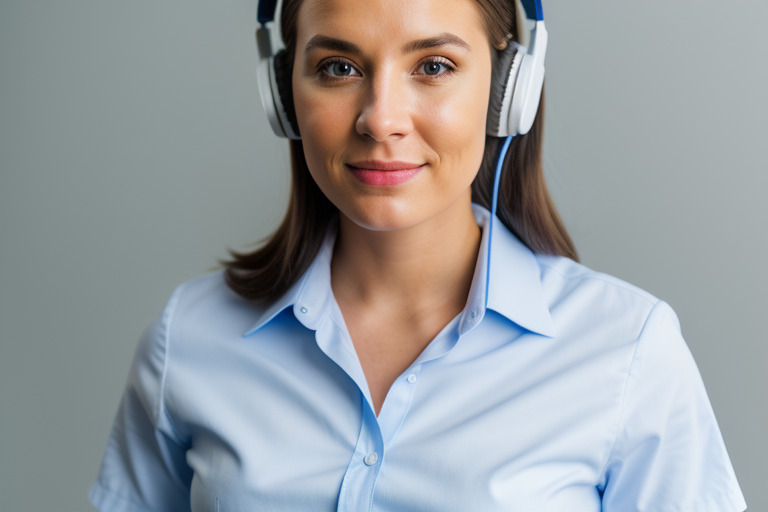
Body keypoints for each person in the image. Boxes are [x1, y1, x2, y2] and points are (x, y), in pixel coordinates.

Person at [89, 0, 747, 510]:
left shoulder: (626, 350)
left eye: (432, 66)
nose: (382, 118)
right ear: (283, 94)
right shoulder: (191, 337)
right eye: (338, 68)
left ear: (507, 90)